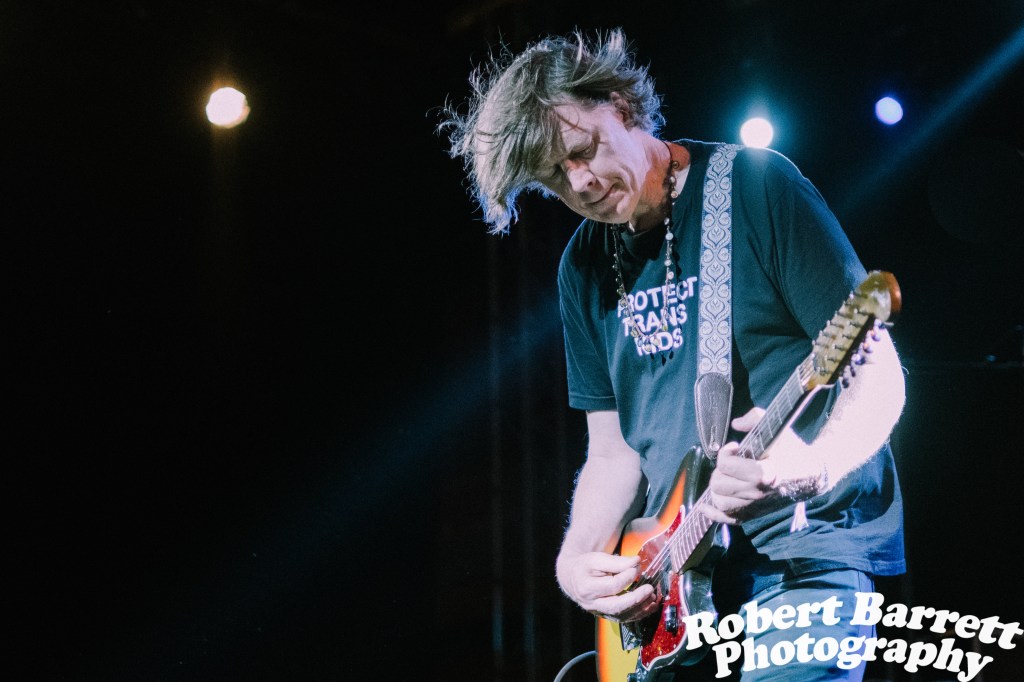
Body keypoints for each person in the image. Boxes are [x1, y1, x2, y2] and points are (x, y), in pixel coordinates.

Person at [439, 28, 907, 681]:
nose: (581, 182)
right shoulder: (582, 266)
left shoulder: (755, 186)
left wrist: (807, 467)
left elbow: (878, 374)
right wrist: (574, 564)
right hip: (677, 594)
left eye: (583, 149)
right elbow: (611, 452)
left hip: (799, 556)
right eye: (554, 176)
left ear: (619, 105)